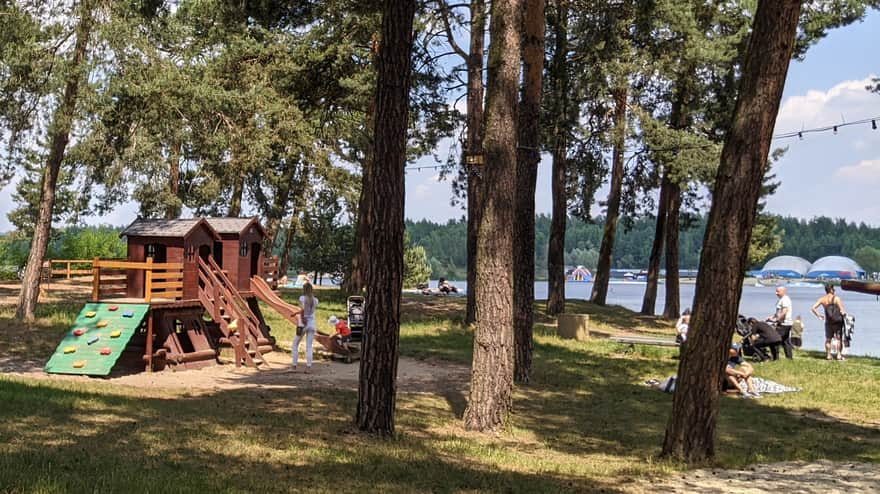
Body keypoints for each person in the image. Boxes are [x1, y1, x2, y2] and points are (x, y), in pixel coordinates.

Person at [812, 283, 848, 361]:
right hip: (837, 321)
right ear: (831, 290)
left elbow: (813, 308)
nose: (834, 290)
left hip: (828, 321)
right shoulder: (836, 298)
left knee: (828, 339)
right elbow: (842, 310)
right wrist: (845, 316)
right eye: (834, 289)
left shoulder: (822, 299)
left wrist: (819, 315)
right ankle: (839, 355)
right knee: (839, 339)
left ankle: (828, 355)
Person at [292, 281, 318, 372]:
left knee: (295, 344)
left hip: (303, 323)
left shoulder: (302, 298)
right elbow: (309, 311)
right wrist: (296, 313)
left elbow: (303, 309)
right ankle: (308, 367)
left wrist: (302, 318)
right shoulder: (315, 300)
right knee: (309, 346)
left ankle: (294, 366)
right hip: (312, 323)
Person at [768, 286, 794, 359]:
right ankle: (789, 358)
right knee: (785, 341)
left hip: (784, 324)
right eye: (776, 291)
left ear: (784, 291)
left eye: (778, 291)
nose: (776, 293)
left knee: (774, 340)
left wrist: (776, 320)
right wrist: (772, 317)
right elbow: (779, 312)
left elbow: (784, 312)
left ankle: (775, 358)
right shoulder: (781, 300)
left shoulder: (785, 300)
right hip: (786, 323)